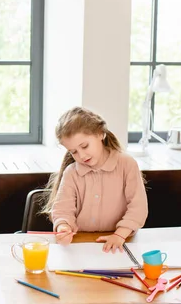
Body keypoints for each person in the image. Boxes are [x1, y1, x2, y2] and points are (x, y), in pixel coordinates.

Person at [41, 107, 147, 252]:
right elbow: (62, 210)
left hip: (121, 241)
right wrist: (63, 226)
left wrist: (119, 235)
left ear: (100, 134)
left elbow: (138, 207)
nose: (82, 156)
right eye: (74, 152)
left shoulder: (127, 164)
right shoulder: (71, 173)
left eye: (84, 146)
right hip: (81, 244)